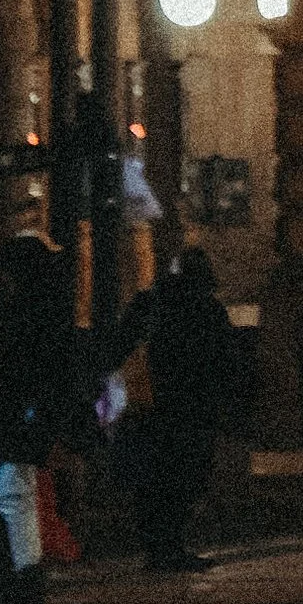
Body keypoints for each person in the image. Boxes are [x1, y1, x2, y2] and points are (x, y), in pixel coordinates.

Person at [113, 246, 243, 573]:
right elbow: (227, 362)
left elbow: (117, 346)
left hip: (151, 407)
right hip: (193, 409)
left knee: (152, 479)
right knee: (184, 479)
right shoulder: (207, 308)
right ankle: (171, 545)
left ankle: (154, 548)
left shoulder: (149, 302)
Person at [0, 204, 72, 604]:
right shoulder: (44, 310)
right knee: (17, 491)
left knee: (14, 492)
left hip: (15, 412)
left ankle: (22, 577)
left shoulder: (20, 313)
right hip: (23, 412)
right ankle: (23, 575)